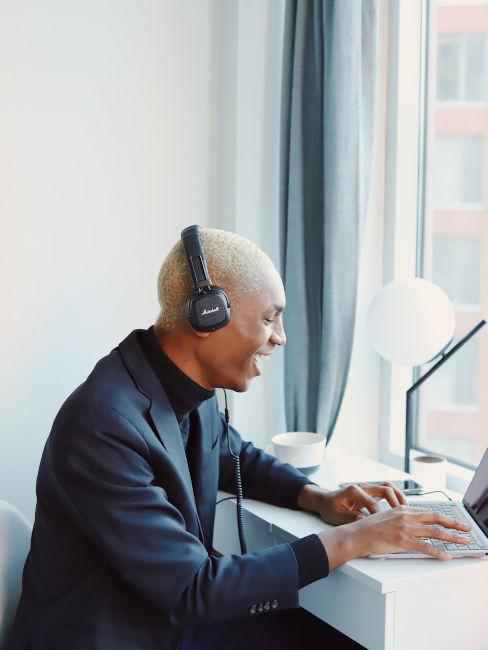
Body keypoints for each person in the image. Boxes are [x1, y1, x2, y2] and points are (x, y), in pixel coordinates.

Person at [6, 227, 472, 650]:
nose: (281, 338)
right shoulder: (102, 426)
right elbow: (193, 590)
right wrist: (356, 539)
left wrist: (318, 496)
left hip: (168, 620)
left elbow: (234, 455)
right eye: (270, 319)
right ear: (208, 316)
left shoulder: (183, 385)